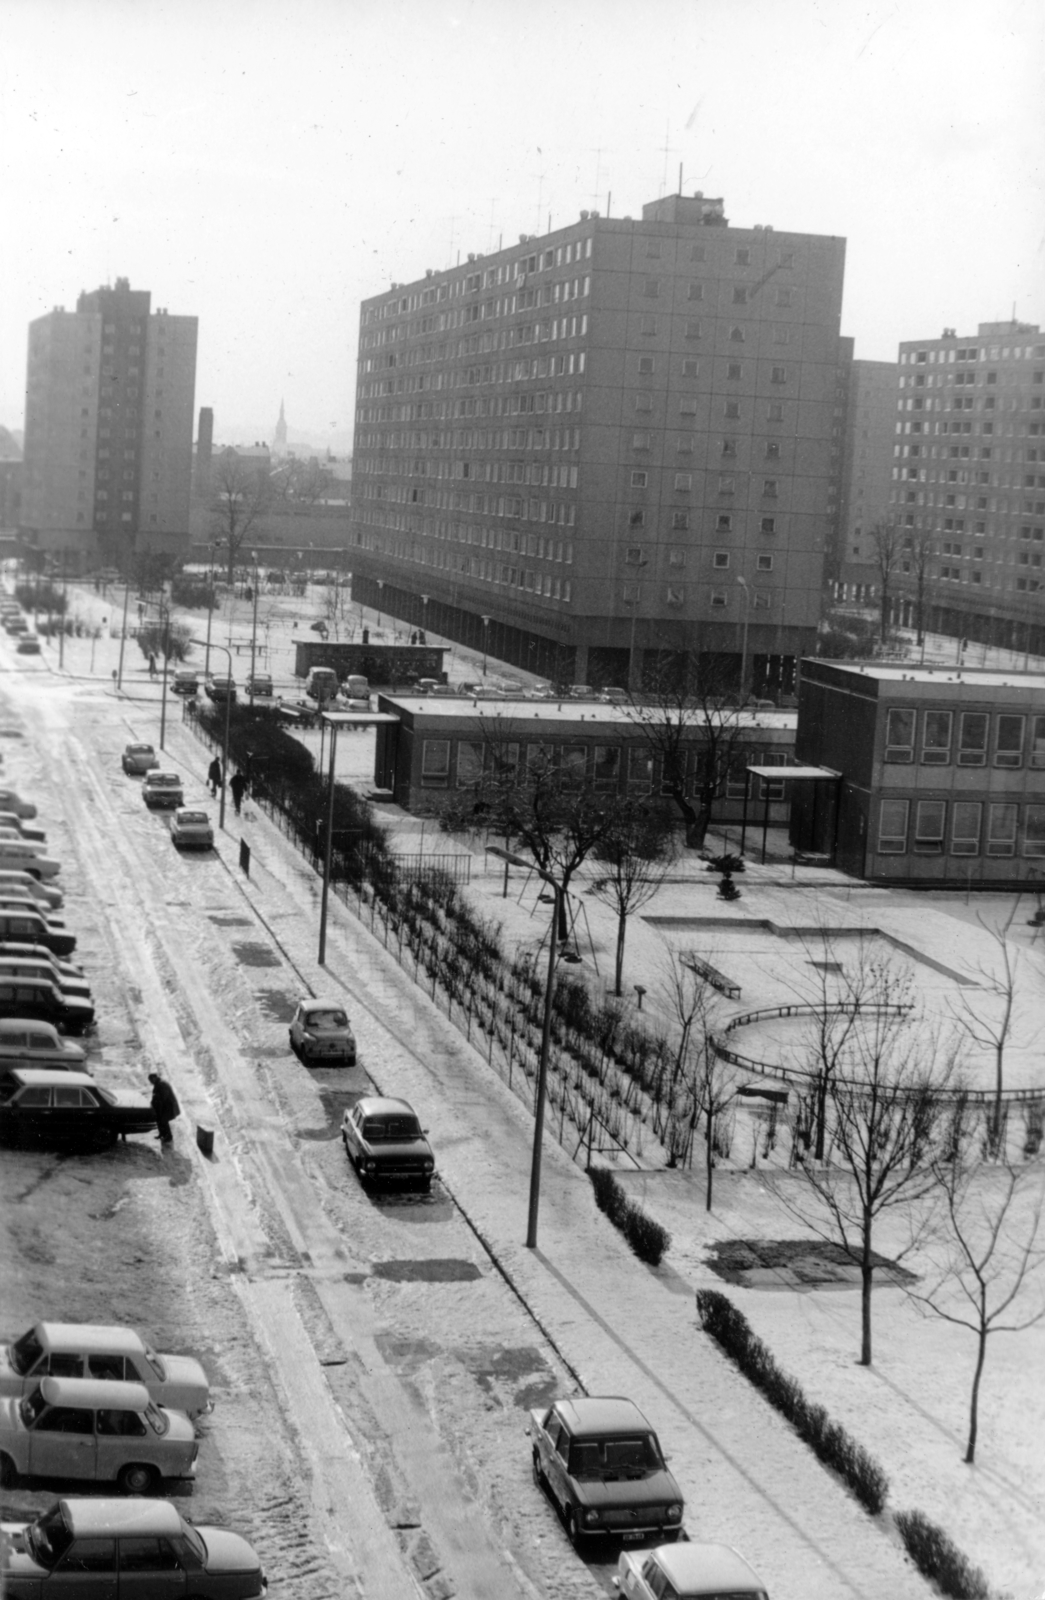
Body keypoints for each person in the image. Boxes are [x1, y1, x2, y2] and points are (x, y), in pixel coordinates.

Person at [148, 1073, 180, 1145]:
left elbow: (163, 1097)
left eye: (150, 1080)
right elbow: (156, 1096)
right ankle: (162, 1134)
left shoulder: (161, 1084)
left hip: (168, 1105)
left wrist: (155, 1104)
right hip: (164, 1105)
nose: (150, 1082)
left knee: (163, 1120)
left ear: (154, 1078)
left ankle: (168, 1137)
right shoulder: (158, 1083)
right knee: (159, 1119)